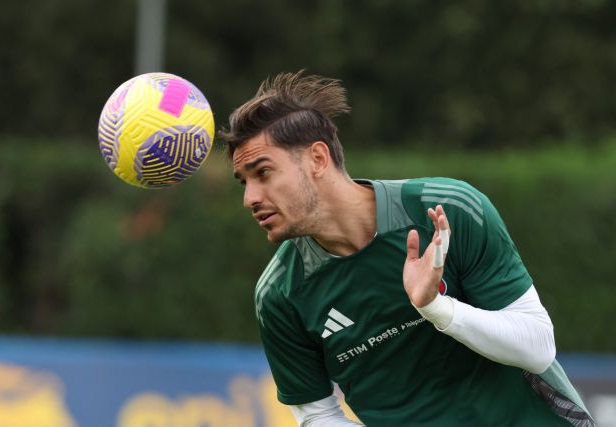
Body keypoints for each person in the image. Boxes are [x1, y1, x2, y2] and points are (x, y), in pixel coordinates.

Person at [220, 71, 595, 426]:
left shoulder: (449, 208)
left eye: (263, 173)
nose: (250, 198)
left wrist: (437, 308)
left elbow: (538, 348)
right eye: (244, 182)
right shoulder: (279, 295)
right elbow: (317, 415)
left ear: (318, 158)